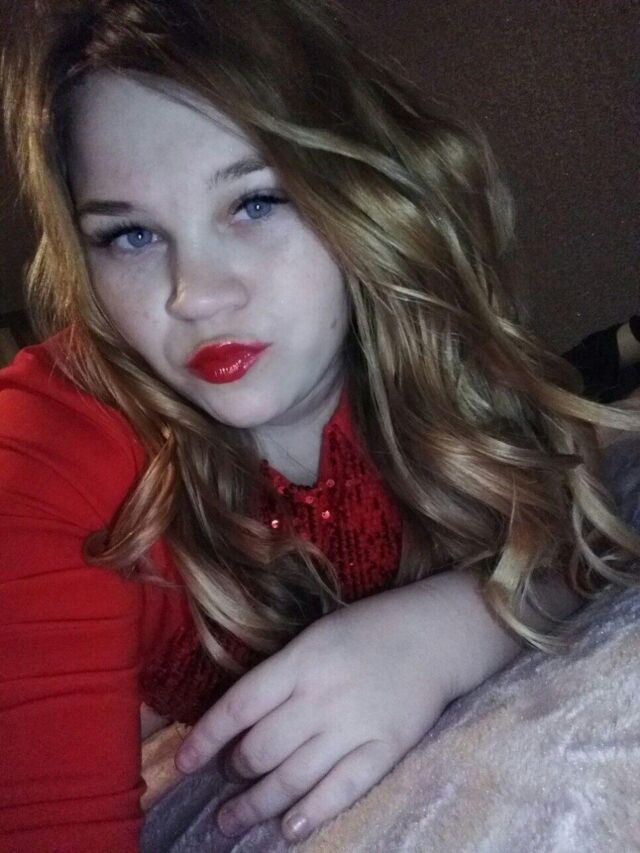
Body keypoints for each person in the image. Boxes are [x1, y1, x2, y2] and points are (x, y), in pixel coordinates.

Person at [1, 1, 640, 849]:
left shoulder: (419, 347)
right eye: (131, 234)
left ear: (360, 192)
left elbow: (573, 530)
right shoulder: (43, 452)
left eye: (255, 202)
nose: (197, 294)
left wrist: (450, 629)